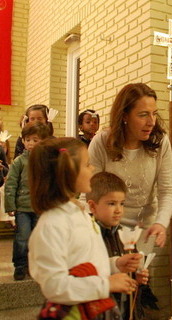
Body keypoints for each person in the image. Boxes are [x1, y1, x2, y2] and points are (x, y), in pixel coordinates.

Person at [28, 137, 139, 319]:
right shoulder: (53, 224)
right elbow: (54, 286)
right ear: (68, 172)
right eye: (87, 165)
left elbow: (84, 261)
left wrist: (115, 264)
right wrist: (106, 284)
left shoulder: (78, 214)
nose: (93, 168)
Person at [88, 83, 172, 248]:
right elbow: (91, 192)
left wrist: (161, 223)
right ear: (124, 116)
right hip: (108, 227)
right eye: (143, 115)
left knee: (140, 272)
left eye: (154, 114)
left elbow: (167, 190)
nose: (151, 122)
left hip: (146, 227)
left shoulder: (160, 141)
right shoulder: (101, 142)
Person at [87, 172, 159, 320]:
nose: (119, 210)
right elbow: (85, 276)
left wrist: (137, 278)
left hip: (125, 310)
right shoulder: (87, 236)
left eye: (122, 203)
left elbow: (131, 278)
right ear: (93, 206)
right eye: (111, 203)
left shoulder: (124, 235)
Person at [4, 122, 50, 280]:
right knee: (22, 237)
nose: (31, 143)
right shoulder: (19, 162)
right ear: (23, 141)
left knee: (38, 238)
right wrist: (10, 205)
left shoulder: (46, 162)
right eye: (28, 139)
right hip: (22, 208)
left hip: (40, 207)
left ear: (43, 141)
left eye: (35, 140)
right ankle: (20, 265)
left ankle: (34, 265)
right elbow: (11, 184)